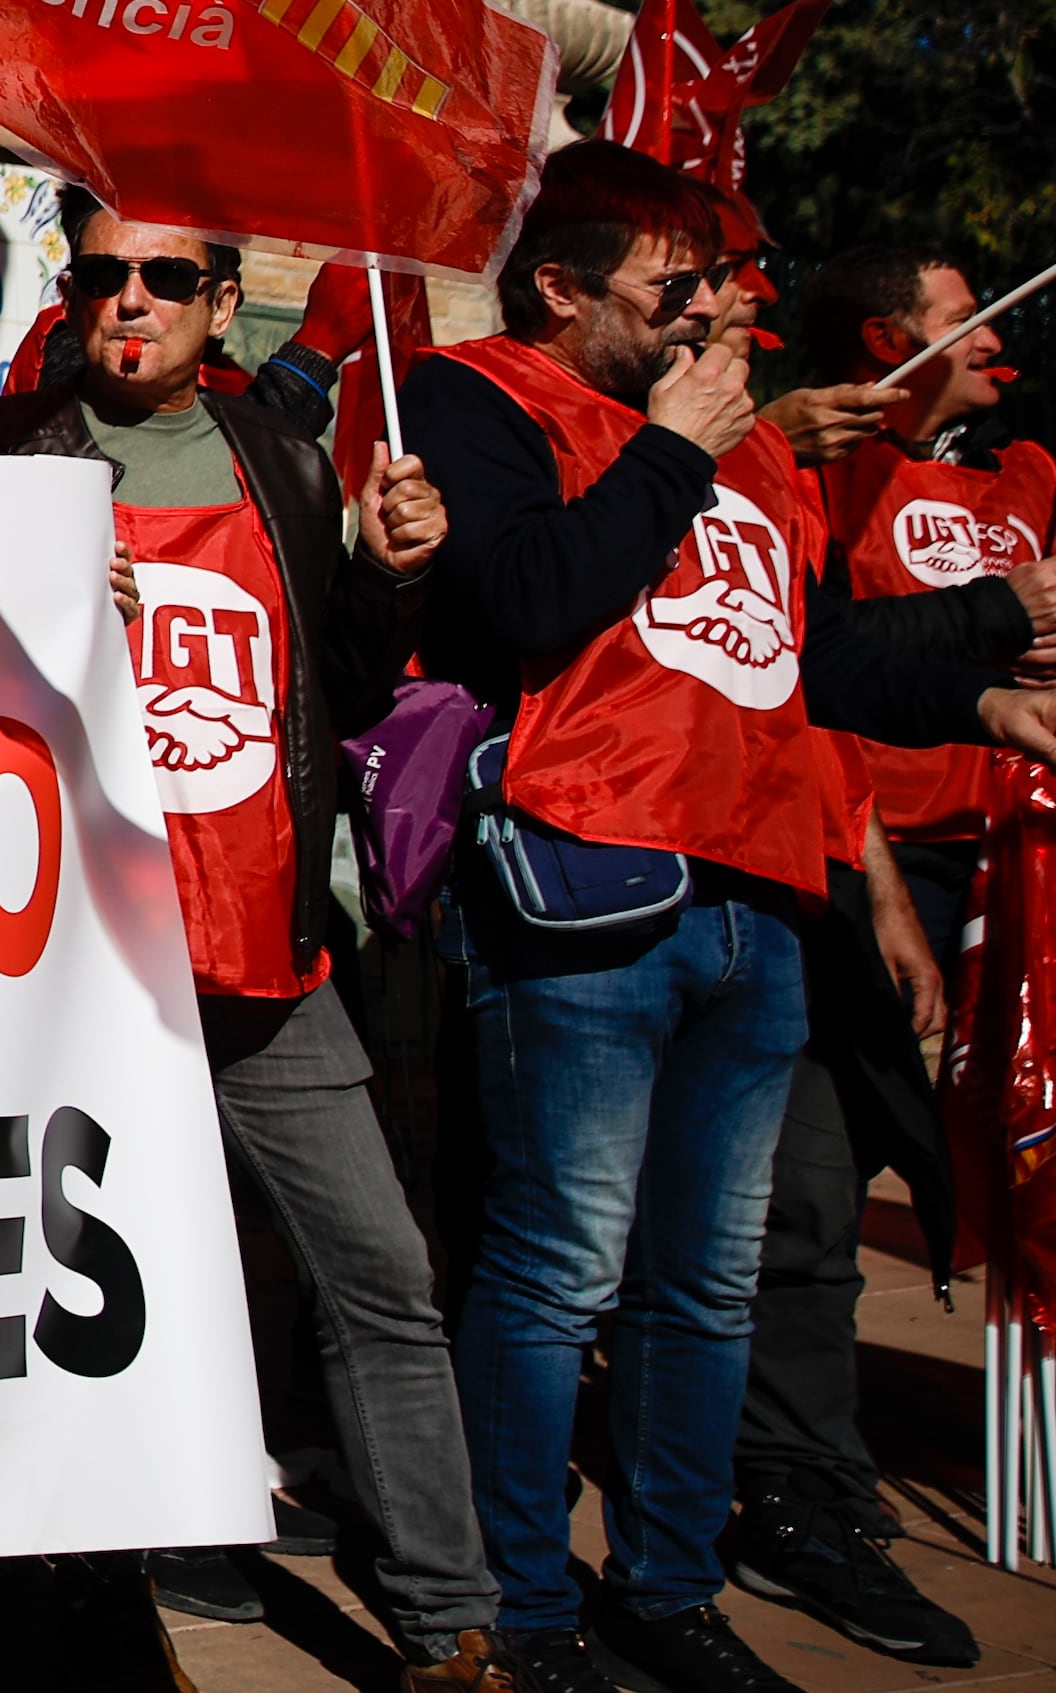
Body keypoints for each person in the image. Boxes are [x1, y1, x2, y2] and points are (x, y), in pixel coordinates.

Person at [401, 145, 1056, 1693]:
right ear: (559, 289)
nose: (707, 310)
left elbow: (803, 654)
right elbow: (524, 598)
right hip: (589, 885)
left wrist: (980, 688)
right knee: (562, 1266)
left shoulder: (736, 441)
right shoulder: (479, 394)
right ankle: (528, 1609)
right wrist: (674, 452)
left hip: (759, 898)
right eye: (672, 286)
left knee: (709, 1279)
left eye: (713, 284)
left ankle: (672, 1589)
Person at [0, 205, 498, 1688]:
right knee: (40, 1293)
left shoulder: (285, 464)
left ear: (222, 307)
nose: (131, 300)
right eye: (102, 273)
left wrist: (392, 573)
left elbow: (334, 686)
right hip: (59, 961)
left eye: (166, 277)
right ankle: (62, 1613)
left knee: (381, 1277)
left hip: (259, 955)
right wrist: (28, 605)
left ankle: (452, 1625)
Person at [723, 244, 1053, 1661]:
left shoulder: (1021, 475)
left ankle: (804, 1463)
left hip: (1010, 849)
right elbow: (817, 666)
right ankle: (790, 1484)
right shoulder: (811, 467)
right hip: (853, 852)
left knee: (966, 1151)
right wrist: (879, 880)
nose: (998, 342)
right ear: (884, 341)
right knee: (808, 1185)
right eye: (964, 320)